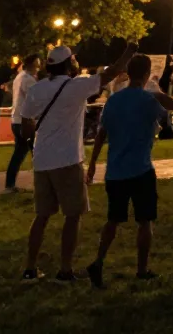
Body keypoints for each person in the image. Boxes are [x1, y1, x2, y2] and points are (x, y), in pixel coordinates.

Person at [20, 42, 134, 282]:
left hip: (42, 160)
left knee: (41, 216)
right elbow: (111, 72)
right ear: (69, 63)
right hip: (68, 160)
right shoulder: (77, 85)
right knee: (73, 215)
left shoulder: (37, 89)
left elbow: (26, 125)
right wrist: (130, 50)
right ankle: (65, 270)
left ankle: (30, 268)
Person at [83, 53, 173, 286]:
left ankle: (99, 260)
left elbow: (101, 135)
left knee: (112, 220)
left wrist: (93, 164)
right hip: (141, 170)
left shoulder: (113, 100)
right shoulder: (150, 100)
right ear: (146, 75)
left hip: (115, 172)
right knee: (145, 221)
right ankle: (142, 269)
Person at [2, 54, 41, 192]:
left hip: (16, 121)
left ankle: (9, 184)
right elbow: (37, 99)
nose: (39, 67)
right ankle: (42, 184)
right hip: (25, 122)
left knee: (19, 153)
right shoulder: (28, 80)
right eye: (37, 64)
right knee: (38, 153)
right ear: (31, 65)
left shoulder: (19, 77)